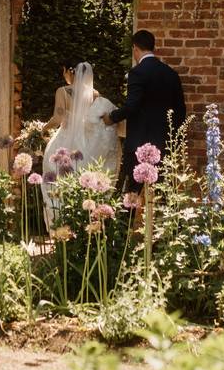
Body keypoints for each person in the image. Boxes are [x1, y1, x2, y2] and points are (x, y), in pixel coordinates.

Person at [102, 30, 186, 192]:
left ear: (135, 48)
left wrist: (112, 117)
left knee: (131, 195)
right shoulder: (171, 74)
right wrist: (172, 138)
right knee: (162, 194)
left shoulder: (137, 72)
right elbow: (181, 111)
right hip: (164, 145)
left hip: (139, 145)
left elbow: (132, 105)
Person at [41, 61, 119, 230]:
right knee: (79, 178)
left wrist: (42, 129)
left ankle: (60, 223)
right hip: (84, 143)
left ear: (69, 72)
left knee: (56, 180)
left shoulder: (63, 91)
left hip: (64, 141)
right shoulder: (95, 94)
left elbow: (57, 118)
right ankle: (83, 222)